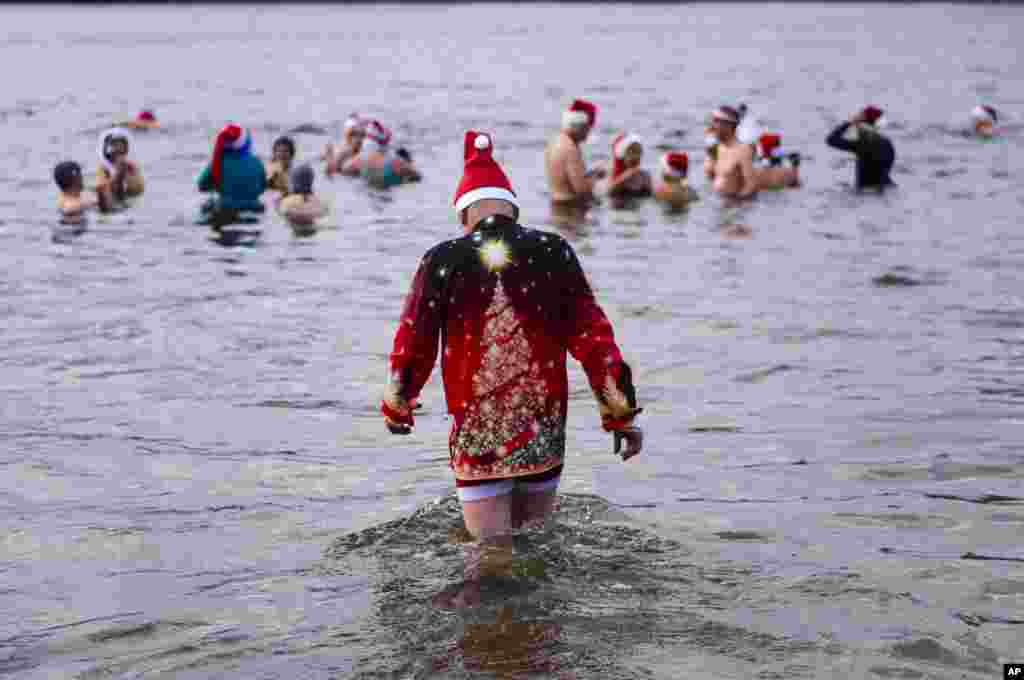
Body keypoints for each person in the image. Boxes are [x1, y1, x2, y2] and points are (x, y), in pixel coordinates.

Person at [381, 130, 643, 606]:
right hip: (544, 430)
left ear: (464, 211)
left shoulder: (442, 259)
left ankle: (488, 642)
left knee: (490, 556)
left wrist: (398, 404)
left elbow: (412, 341)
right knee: (534, 546)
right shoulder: (555, 251)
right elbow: (595, 339)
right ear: (512, 208)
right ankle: (539, 639)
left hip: (479, 436)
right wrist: (620, 413)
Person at [196, 123, 267, 227]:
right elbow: (262, 188)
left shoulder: (217, 162)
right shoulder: (257, 162)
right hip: (255, 208)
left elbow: (202, 186)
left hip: (225, 208)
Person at [544, 98, 606, 209]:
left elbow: (566, 178)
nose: (588, 133)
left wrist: (591, 174)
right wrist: (596, 176)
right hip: (571, 211)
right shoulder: (571, 149)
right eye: (588, 128)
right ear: (579, 126)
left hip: (556, 206)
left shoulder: (554, 142)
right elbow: (582, 190)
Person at [825, 106, 895, 191]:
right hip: (887, 187)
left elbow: (831, 140)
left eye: (857, 126)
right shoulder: (887, 143)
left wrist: (849, 123)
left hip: (867, 192)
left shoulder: (861, 145)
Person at [343, 120, 421, 187]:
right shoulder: (397, 163)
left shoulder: (358, 160)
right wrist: (408, 161)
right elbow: (417, 177)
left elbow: (345, 171)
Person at [704, 106, 758, 198]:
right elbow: (711, 176)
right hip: (718, 203)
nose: (712, 126)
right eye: (713, 121)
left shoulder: (743, 150)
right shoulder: (716, 148)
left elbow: (751, 186)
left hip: (733, 205)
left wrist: (736, 204)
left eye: (716, 122)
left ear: (728, 125)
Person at [96, 127, 145, 207]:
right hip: (112, 201)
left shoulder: (131, 166)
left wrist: (127, 175)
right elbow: (102, 188)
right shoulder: (103, 168)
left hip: (127, 199)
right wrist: (117, 176)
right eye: (114, 145)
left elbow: (139, 188)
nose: (117, 148)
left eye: (121, 146)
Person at [54, 160, 109, 226]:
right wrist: (101, 195)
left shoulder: (74, 196)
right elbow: (69, 209)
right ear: (76, 178)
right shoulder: (70, 205)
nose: (82, 177)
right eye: (80, 174)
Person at [277, 163, 328, 233]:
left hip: (296, 219)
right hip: (313, 220)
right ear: (311, 181)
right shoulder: (320, 201)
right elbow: (323, 213)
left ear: (293, 181)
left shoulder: (286, 201)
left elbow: (283, 212)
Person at [605, 132, 652, 198]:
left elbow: (650, 196)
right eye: (632, 151)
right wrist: (625, 177)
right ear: (621, 154)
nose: (636, 156)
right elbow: (608, 192)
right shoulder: (610, 174)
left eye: (639, 152)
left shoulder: (645, 176)